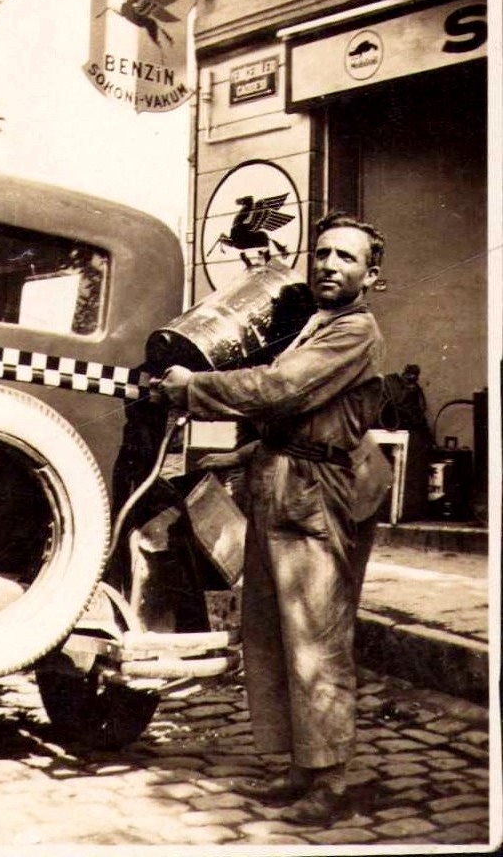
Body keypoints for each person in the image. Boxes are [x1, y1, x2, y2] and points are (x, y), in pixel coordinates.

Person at [155, 212, 390, 826]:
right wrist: (241, 455)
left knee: (315, 639)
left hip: (313, 496)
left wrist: (194, 387)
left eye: (346, 257)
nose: (329, 265)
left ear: (371, 275)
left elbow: (280, 389)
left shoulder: (355, 331)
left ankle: (329, 780)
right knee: (269, 634)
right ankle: (294, 765)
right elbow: (302, 419)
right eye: (322, 254)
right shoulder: (317, 324)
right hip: (278, 483)